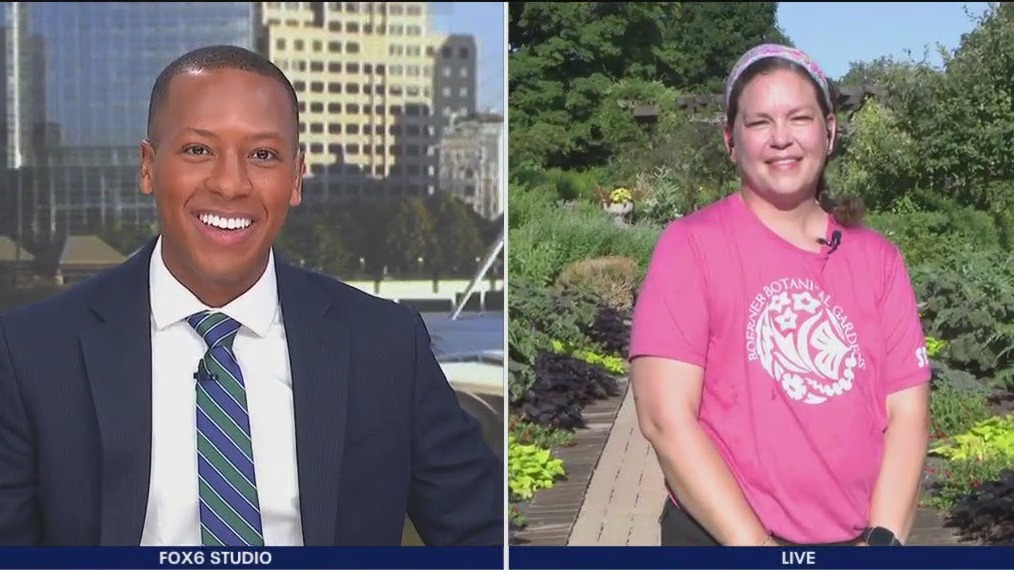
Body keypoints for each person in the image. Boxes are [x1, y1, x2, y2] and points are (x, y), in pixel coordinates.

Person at [0, 45, 503, 547]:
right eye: (199, 150)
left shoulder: (387, 344)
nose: (230, 184)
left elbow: (484, 539)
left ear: (296, 176)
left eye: (262, 155)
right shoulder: (32, 353)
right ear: (148, 166)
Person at [628, 44, 931, 547]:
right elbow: (665, 418)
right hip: (726, 539)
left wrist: (883, 544)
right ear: (730, 140)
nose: (782, 138)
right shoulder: (692, 247)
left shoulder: (878, 259)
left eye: (799, 118)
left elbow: (908, 413)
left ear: (829, 131)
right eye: (759, 122)